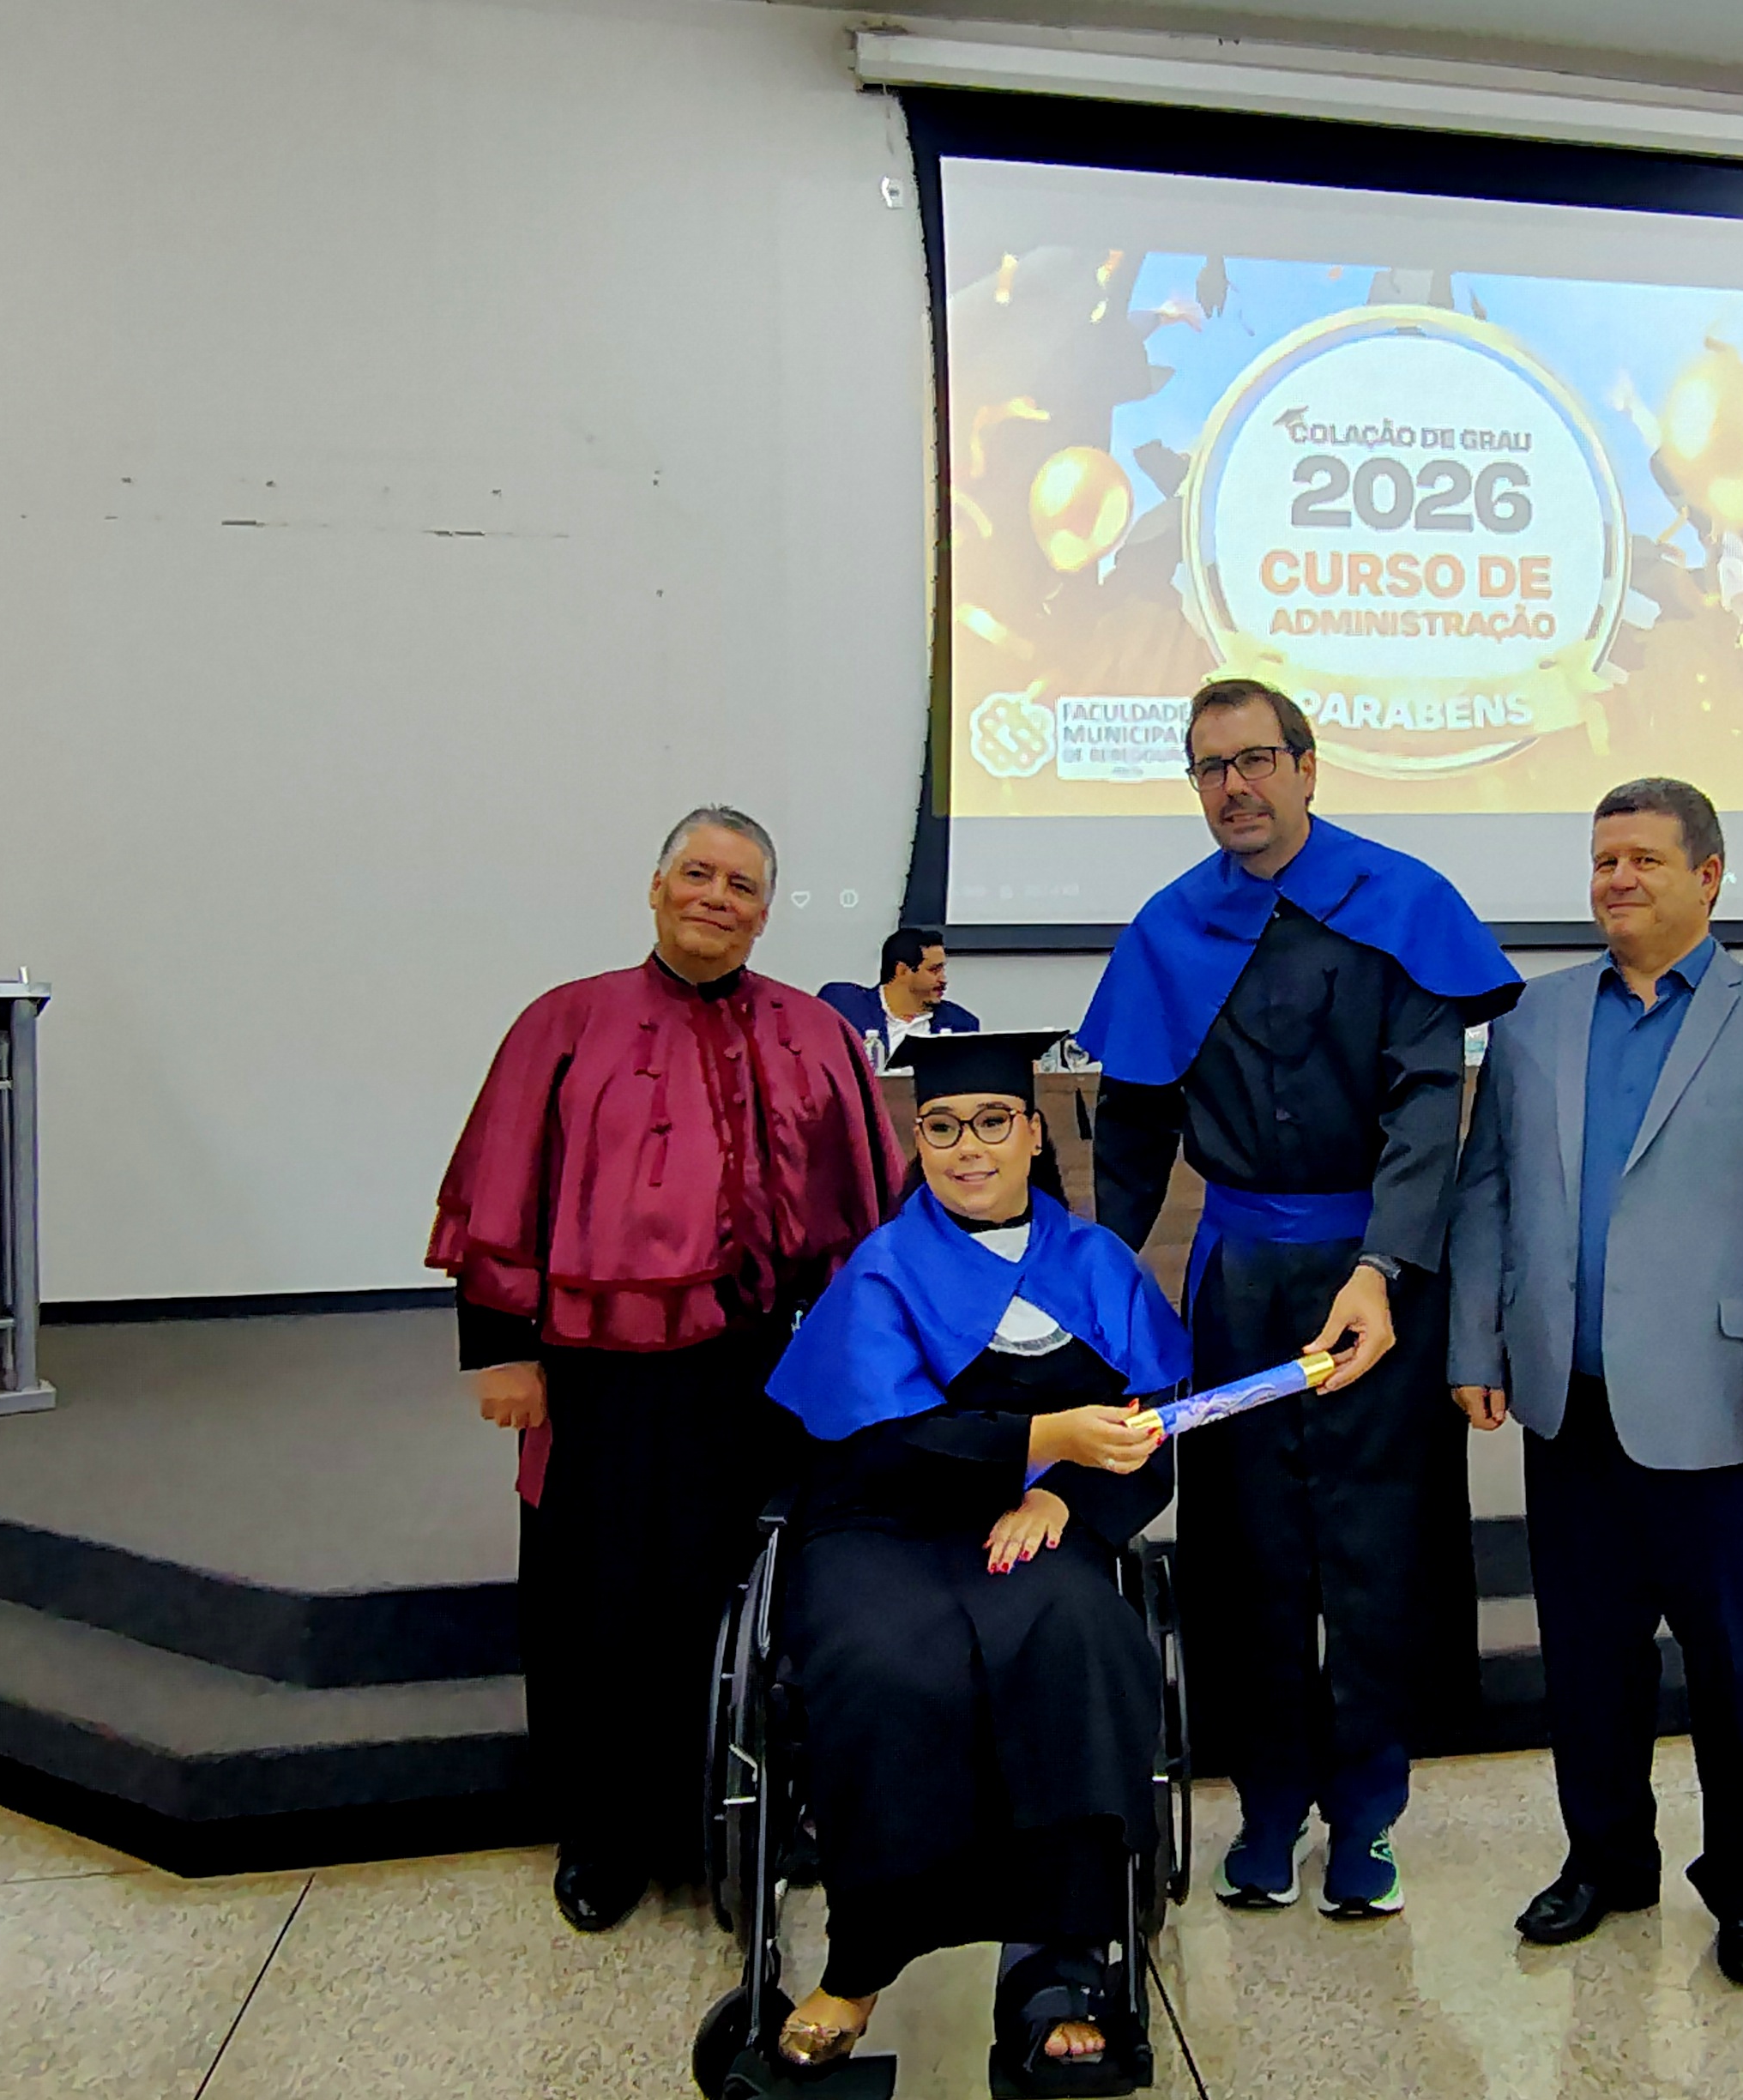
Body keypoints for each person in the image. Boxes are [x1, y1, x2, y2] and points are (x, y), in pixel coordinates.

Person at [1079, 676, 1522, 1922]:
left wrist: (1383, 1269)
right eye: (1210, 767)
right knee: (1249, 1553)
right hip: (1241, 1289)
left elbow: (1426, 1109)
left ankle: (1369, 1811)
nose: (1236, 787)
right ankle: (1269, 1803)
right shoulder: (1168, 928)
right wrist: (1097, 1292)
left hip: (1380, 1284)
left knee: (1380, 1550)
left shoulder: (1403, 902)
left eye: (1257, 760)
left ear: (1309, 766)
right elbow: (1133, 1135)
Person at [429, 806, 904, 1934]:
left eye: (741, 886)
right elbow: (501, 1184)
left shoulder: (814, 1034)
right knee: (597, 1605)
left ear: (765, 912)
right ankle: (604, 1835)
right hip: (602, 1379)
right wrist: (504, 1350)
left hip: (765, 1372)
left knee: (754, 1598)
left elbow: (870, 1212)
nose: (715, 899)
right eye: (698, 874)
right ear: (655, 887)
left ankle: (746, 1816)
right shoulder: (564, 1023)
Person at [1448, 777, 1743, 1984]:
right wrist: (1476, 1345)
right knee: (1587, 1657)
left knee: (1736, 1663)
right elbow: (1489, 1191)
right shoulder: (1535, 1020)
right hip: (1568, 1402)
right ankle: (1606, 1860)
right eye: (1603, 861)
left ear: (1710, 877)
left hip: (1724, 1406)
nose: (1617, 880)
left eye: (1643, 858)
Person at [762, 1029, 1188, 2089]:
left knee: (1077, 1638)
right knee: (885, 1667)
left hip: (1031, 1524)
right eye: (943, 1128)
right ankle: (862, 1961)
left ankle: (1056, 1961)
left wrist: (1066, 1497)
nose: (968, 1147)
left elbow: (1151, 1430)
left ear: (1035, 1135)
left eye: (993, 1123)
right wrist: (1043, 1438)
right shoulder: (884, 1268)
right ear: (920, 1144)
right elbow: (878, 1439)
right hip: (883, 1525)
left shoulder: (1096, 1264)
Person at [819, 927, 980, 1056]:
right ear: (902, 971)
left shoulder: (961, 1023)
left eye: (942, 970)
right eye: (934, 970)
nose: (943, 980)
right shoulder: (844, 1005)